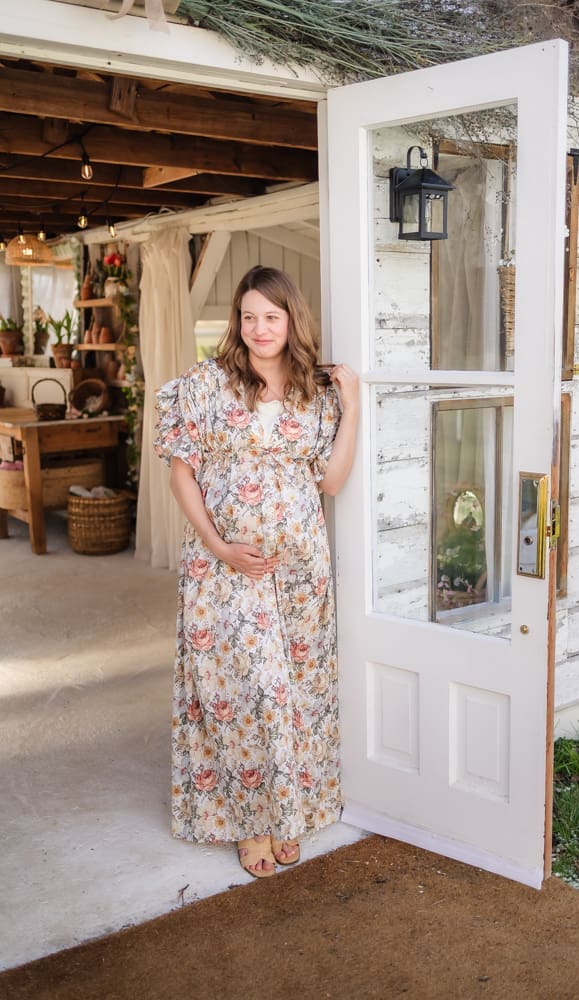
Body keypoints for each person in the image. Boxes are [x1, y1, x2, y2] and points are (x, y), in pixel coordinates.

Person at [154, 265, 359, 878]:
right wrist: (220, 546)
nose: (258, 328)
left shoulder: (316, 393)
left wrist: (352, 405)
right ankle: (250, 821)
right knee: (244, 692)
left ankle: (288, 812)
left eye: (271, 316)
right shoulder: (206, 385)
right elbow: (181, 473)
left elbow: (331, 481)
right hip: (225, 568)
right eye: (248, 316)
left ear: (291, 319)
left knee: (298, 693)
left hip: (300, 570)